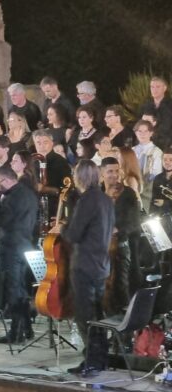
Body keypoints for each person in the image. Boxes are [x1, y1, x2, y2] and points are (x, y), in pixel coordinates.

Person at [59, 160, 114, 377]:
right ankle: (100, 359)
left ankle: (90, 361)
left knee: (85, 316)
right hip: (101, 264)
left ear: (78, 177)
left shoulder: (86, 200)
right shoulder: (106, 200)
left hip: (85, 265)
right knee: (97, 314)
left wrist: (63, 226)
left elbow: (74, 235)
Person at [0, 166, 38, 343]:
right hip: (25, 245)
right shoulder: (29, 194)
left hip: (11, 248)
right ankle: (26, 328)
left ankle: (15, 333)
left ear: (7, 179)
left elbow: (2, 221)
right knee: (21, 289)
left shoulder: (10, 198)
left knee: (13, 290)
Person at [101, 157, 141, 313]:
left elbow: (134, 222)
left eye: (117, 171)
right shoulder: (97, 193)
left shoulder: (128, 193)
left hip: (121, 248)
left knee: (121, 288)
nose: (114, 175)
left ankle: (124, 330)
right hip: (100, 250)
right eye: (110, 171)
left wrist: (118, 229)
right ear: (102, 172)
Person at [133, 120, 164, 210]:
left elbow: (157, 173)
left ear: (151, 133)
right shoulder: (132, 150)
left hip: (148, 190)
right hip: (132, 189)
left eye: (146, 131)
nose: (142, 134)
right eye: (139, 131)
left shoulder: (157, 152)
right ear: (135, 133)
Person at [140, 77, 172, 149]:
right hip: (148, 145)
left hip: (167, 146)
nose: (154, 90)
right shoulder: (145, 106)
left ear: (164, 88)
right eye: (152, 87)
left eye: (158, 87)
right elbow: (138, 126)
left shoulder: (170, 105)